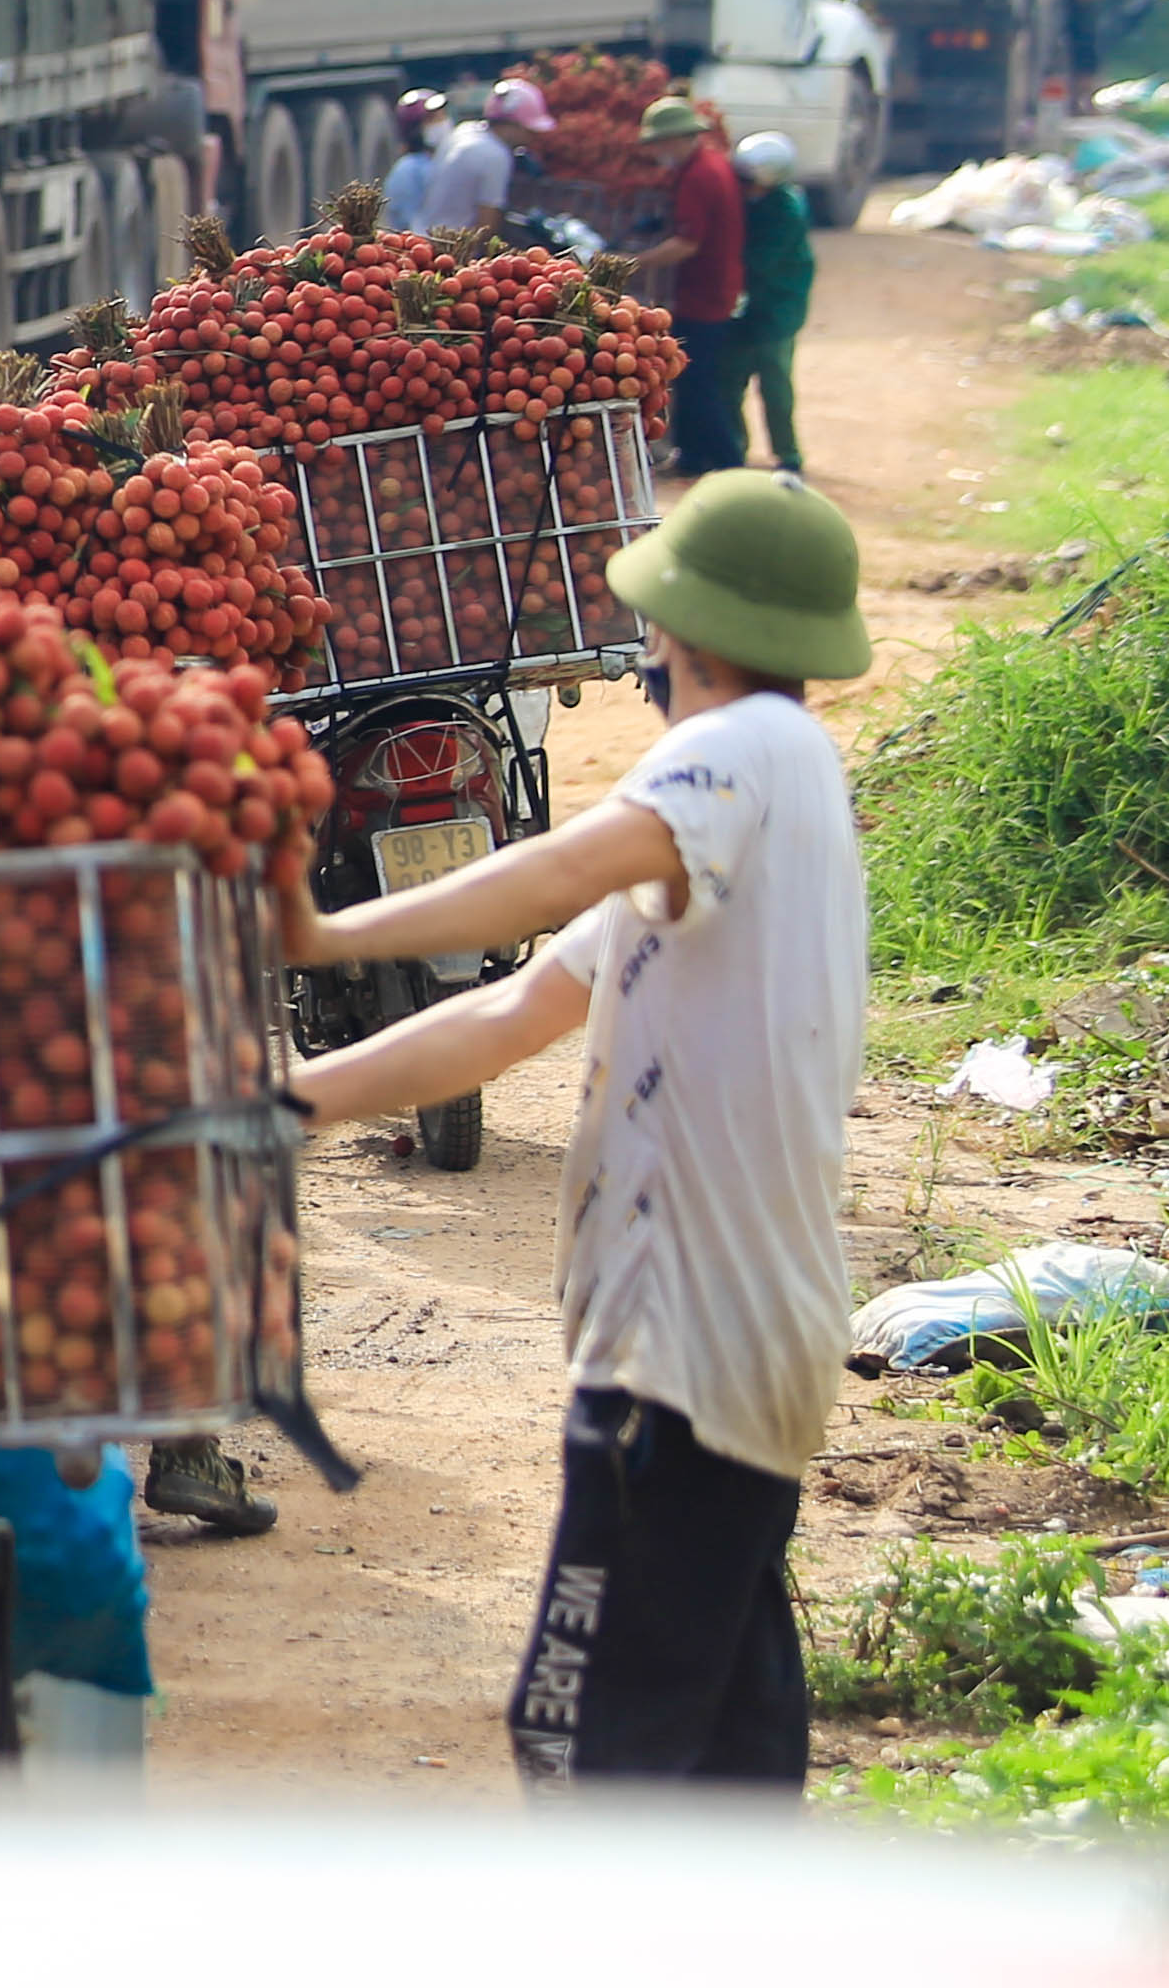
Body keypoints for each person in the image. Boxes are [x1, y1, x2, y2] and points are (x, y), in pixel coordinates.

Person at [275, 474, 871, 1788]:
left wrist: (323, 931)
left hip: (680, 1351)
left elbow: (550, 871)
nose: (647, 652)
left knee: (585, 1738)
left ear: (691, 632)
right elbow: (504, 1010)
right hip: (748, 1343)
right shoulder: (751, 817)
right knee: (723, 1730)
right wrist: (292, 1104)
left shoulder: (734, 754)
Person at [637, 95, 751, 477]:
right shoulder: (705, 165)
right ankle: (692, 455)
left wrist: (636, 262)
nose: (656, 151)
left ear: (677, 139)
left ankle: (729, 462)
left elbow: (687, 243)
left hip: (706, 294)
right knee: (688, 378)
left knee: (699, 384)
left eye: (659, 143)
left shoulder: (701, 176)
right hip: (709, 288)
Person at [732, 130, 817, 475]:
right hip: (752, 306)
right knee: (731, 379)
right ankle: (735, 448)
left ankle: (788, 454)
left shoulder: (785, 212)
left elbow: (756, 261)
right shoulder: (756, 202)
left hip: (778, 309)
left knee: (775, 384)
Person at [433, 81, 532, 241]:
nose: (530, 138)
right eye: (527, 130)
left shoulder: (464, 130)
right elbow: (487, 225)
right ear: (512, 125)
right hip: (451, 247)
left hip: (426, 234)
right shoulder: (495, 155)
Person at [380, 88, 452, 235]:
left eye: (442, 116)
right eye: (433, 119)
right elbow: (413, 225)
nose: (442, 123)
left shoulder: (443, 159)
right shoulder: (408, 170)